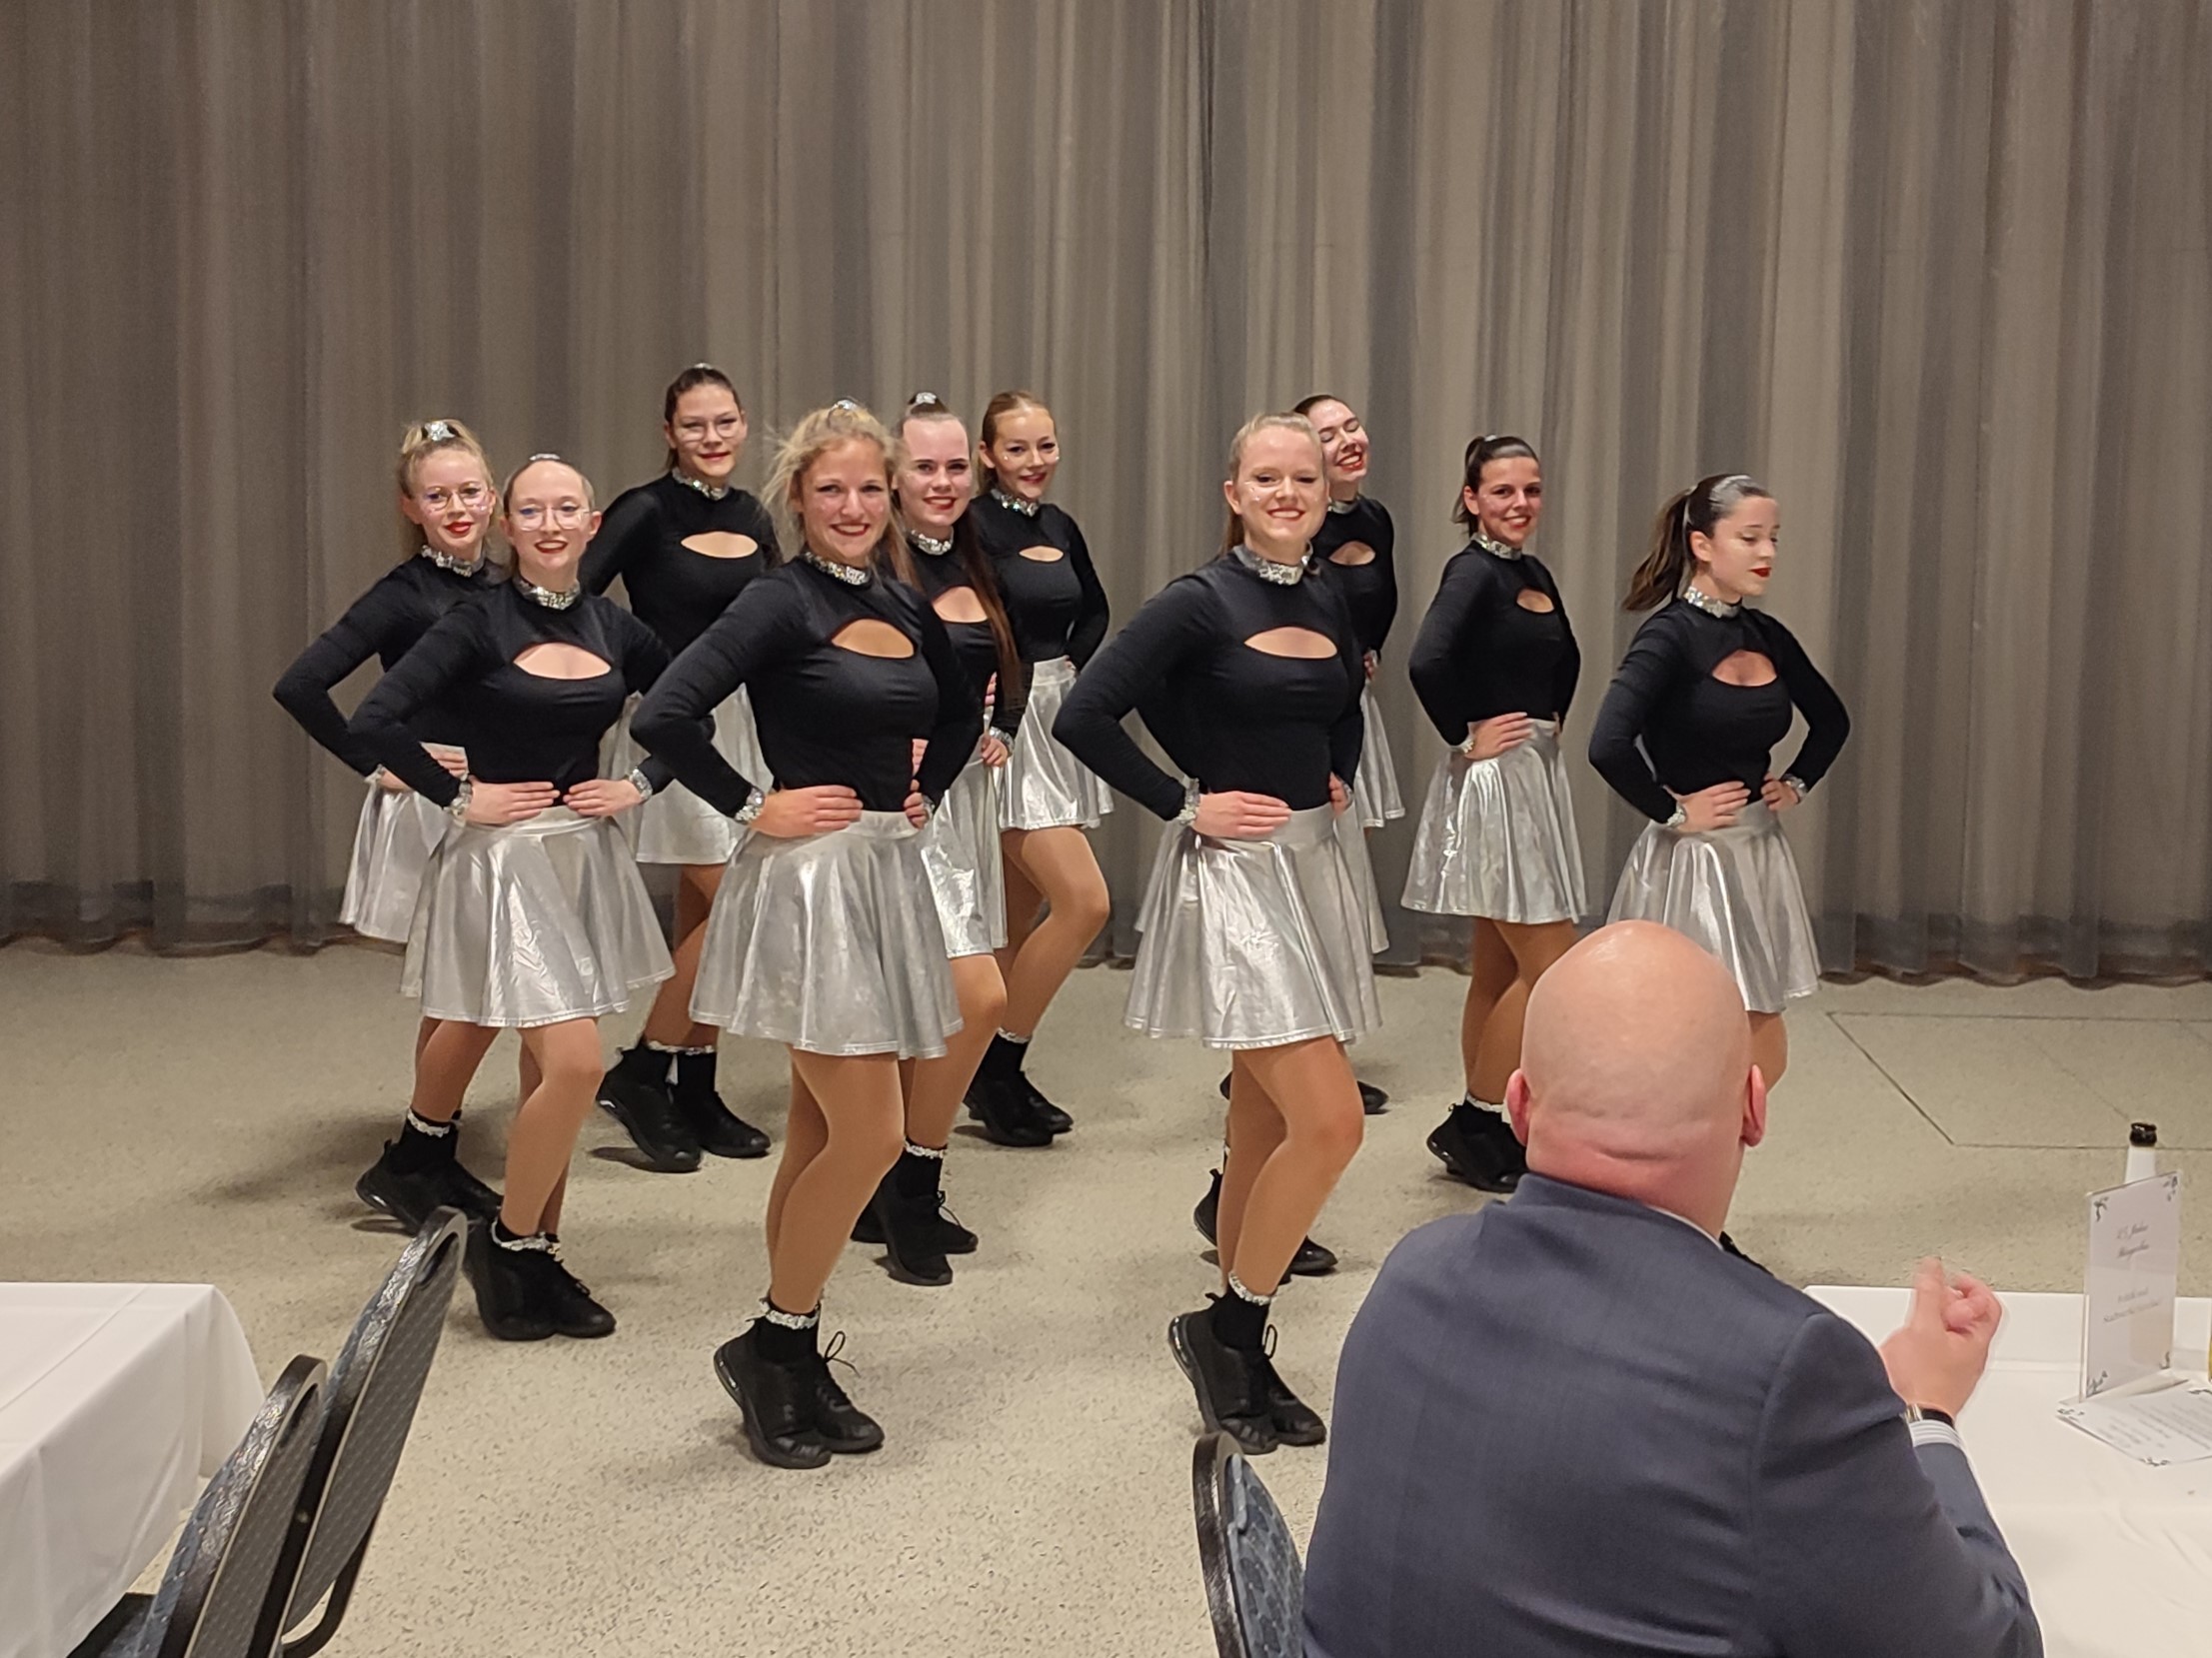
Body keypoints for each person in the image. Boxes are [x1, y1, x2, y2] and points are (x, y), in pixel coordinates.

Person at [1302, 922, 2042, 1658]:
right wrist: (1924, 1412)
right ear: (1753, 1108)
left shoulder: (1413, 1271)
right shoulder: (1788, 1372)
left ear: (1520, 1106)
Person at [633, 401, 980, 1468]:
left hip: (883, 869)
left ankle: (788, 1343)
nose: (852, 506)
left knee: (820, 1135)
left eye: (869, 489)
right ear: (797, 498)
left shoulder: (898, 597)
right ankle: (773, 1341)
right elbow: (664, 716)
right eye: (831, 489)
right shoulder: (773, 601)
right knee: (870, 1135)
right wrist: (751, 805)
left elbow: (963, 704)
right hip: (808, 884)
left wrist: (924, 785)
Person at [1056, 412, 1374, 1454]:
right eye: (1266, 479)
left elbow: (1340, 704)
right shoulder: (1197, 601)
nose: (1288, 494)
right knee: (1330, 1122)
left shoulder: (1327, 592)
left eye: (1304, 479)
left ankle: (1241, 1339)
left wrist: (1335, 769)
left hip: (1312, 866)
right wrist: (1183, 801)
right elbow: (1084, 714)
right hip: (1237, 877)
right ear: (1232, 491)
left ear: (1326, 494)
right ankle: (1224, 1326)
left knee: (1263, 1125)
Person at [349, 455, 679, 1343]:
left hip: (581, 859)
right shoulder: (472, 621)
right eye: (530, 510)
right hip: (501, 862)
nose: (548, 524)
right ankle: (512, 1243)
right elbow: (373, 718)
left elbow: (695, 706)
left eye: (565, 508)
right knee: (576, 1063)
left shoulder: (616, 627)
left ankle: (537, 1254)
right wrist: (457, 793)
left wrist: (641, 783)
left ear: (592, 521)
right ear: (505, 522)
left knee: (549, 1073)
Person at [273, 418, 506, 1226]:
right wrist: (378, 762)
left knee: (466, 989)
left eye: (470, 490)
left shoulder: (505, 586)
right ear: (411, 505)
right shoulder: (402, 595)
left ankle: (428, 1151)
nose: (457, 507)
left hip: (499, 802)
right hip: (437, 804)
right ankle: (415, 1154)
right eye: (438, 495)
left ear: (493, 493)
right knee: (463, 986)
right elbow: (302, 684)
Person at [850, 392, 1033, 1284]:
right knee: (968, 997)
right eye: (924, 466)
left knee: (945, 1005)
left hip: (956, 803)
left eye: (956, 465)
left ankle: (905, 1181)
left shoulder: (975, 552)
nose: (943, 481)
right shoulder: (872, 567)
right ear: (891, 476)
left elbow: (1010, 654)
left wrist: (994, 723)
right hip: (895, 812)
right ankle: (898, 1184)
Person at [1588, 474, 1849, 1088]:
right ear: (1703, 545)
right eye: (1751, 538)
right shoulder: (1668, 636)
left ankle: (1697, 1167)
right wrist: (1674, 813)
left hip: (1756, 855)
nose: (1767, 554)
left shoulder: (1767, 636)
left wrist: (1798, 782)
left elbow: (1832, 720)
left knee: (1755, 1048)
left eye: (1774, 539)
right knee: (1684, 1036)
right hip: (1695, 864)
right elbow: (1607, 745)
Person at [583, 364, 780, 1173]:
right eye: (695, 425)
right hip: (677, 724)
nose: (712, 438)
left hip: (746, 725)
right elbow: (577, 601)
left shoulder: (756, 513)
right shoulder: (642, 510)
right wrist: (637, 682)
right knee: (734, 909)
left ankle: (692, 1083)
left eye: (725, 422)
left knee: (705, 922)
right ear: (669, 433)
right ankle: (638, 1070)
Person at [1403, 435, 1584, 1192]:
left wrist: (1552, 723)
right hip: (1498, 780)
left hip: (1529, 772)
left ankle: (1479, 1118)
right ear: (1471, 498)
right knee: (1549, 967)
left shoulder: (1527, 569)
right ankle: (1478, 1119)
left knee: (1499, 963)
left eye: (1531, 490)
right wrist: (1464, 734)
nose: (1519, 504)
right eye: (1502, 491)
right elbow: (1426, 660)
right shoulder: (1471, 570)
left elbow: (1561, 659)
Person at [966, 390, 1111, 1140]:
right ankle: (994, 1065)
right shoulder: (972, 526)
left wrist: (1070, 668)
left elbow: (1094, 607)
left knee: (1014, 917)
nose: (1034, 462)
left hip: (1056, 711)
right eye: (1017, 448)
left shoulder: (1059, 525)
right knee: (1083, 901)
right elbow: (971, 619)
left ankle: (982, 1070)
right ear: (987, 454)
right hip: (1004, 724)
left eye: (1045, 446)